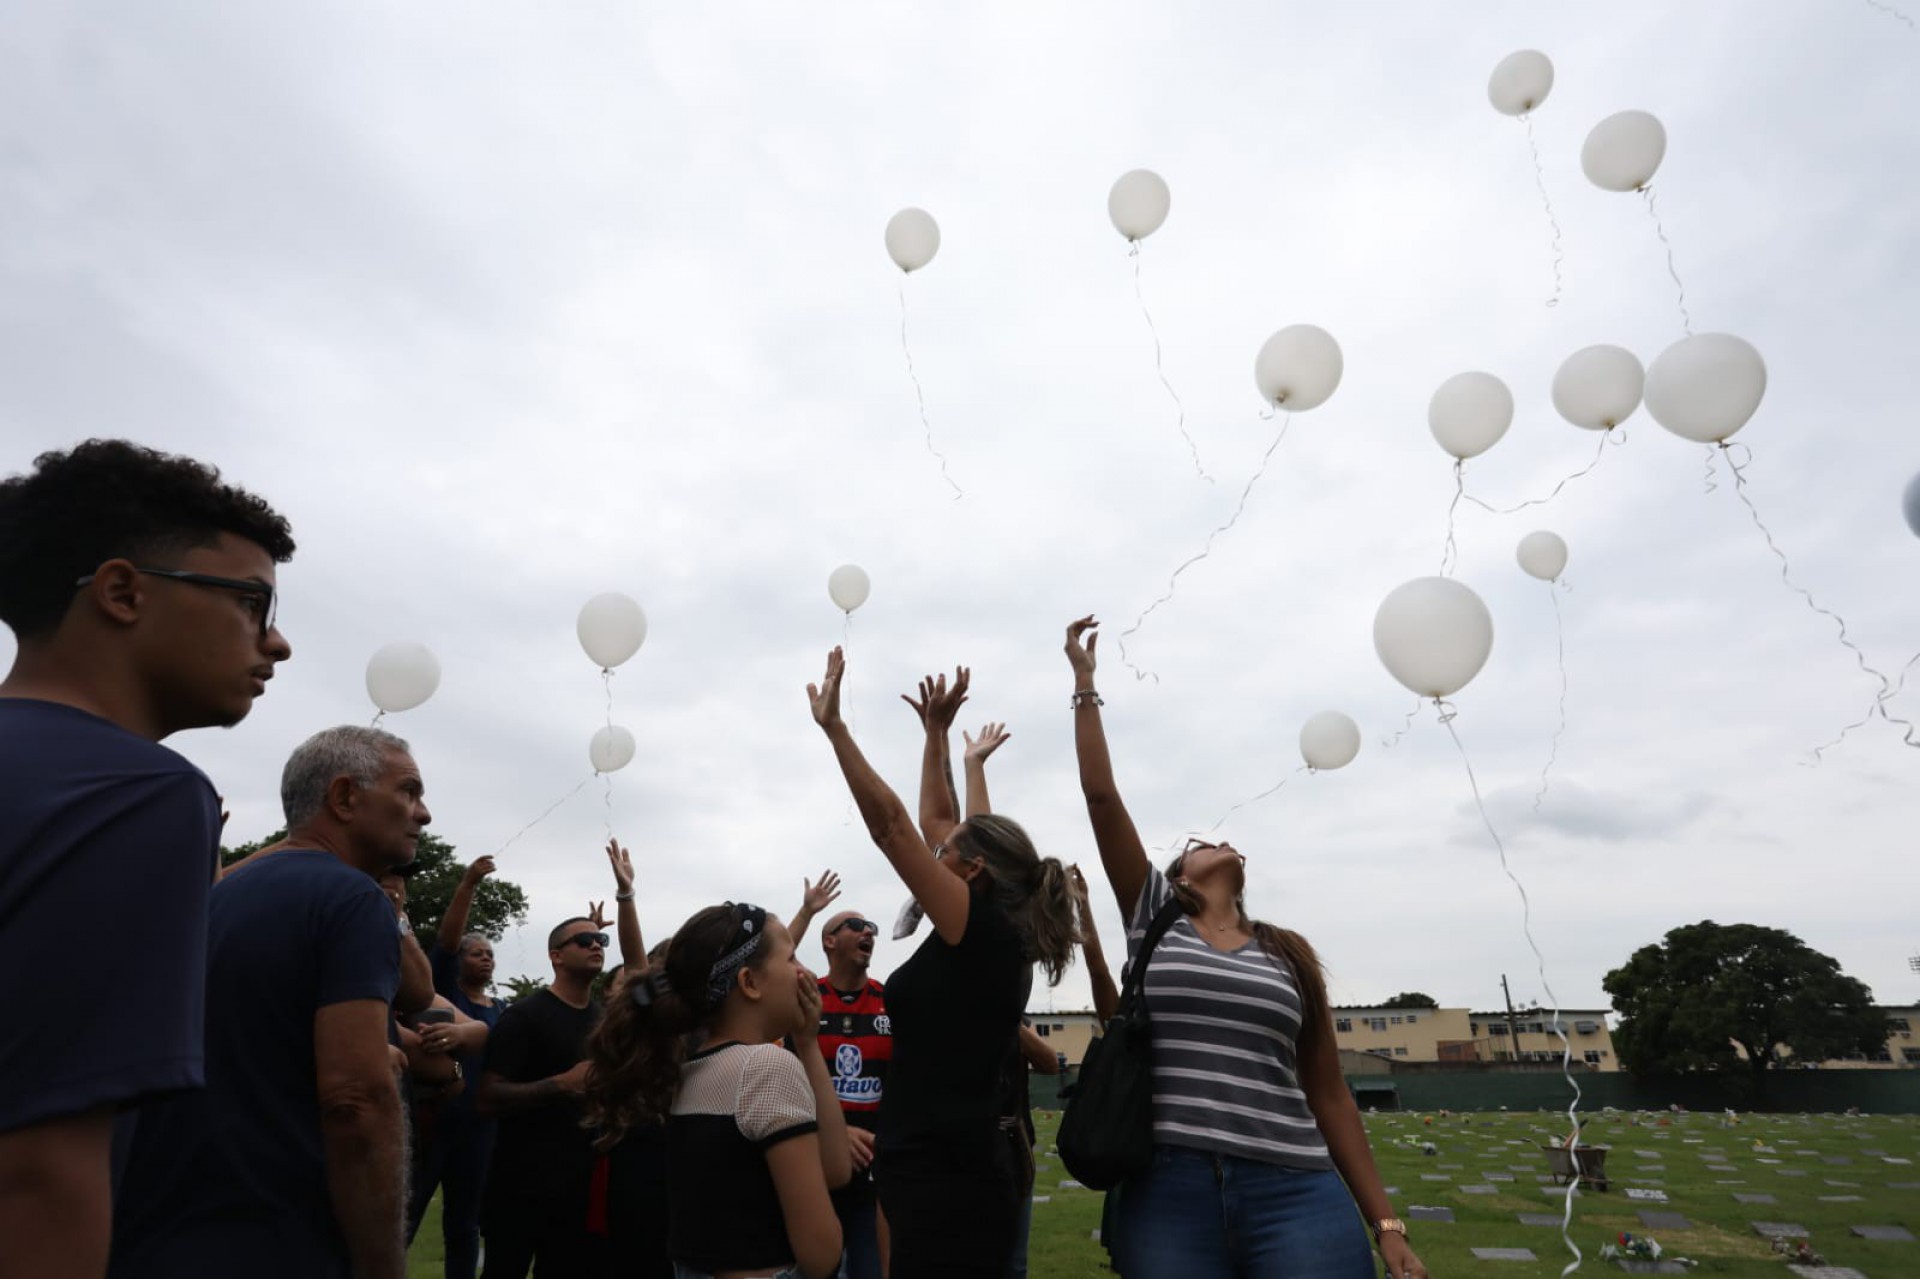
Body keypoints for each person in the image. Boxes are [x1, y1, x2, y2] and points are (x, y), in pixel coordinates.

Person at [0, 439, 294, 1279]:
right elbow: (36, 1171)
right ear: (122, 591)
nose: (276, 646)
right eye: (251, 604)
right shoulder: (136, 793)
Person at [1063, 617, 1428, 1279]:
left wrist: (1387, 1224)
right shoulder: (1155, 917)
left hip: (1297, 1189)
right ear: (1178, 876)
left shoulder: (1288, 953)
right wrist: (1086, 687)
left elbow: (1330, 1092)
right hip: (1169, 1190)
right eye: (1199, 840)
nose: (1215, 838)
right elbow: (1100, 796)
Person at [111, 724, 432, 1279]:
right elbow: (355, 1100)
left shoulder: (219, 897)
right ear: (345, 797)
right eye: (408, 790)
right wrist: (383, 1266)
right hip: (278, 1238)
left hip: (163, 1230)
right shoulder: (352, 899)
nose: (423, 813)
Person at [808, 651, 1080, 1279]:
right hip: (929, 1159)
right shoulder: (985, 924)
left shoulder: (982, 931)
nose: (939, 847)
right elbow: (936, 821)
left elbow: (895, 827)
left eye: (948, 851)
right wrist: (936, 737)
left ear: (973, 870)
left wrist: (836, 729)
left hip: (949, 1173)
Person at [584, 902, 851, 1279]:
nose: (804, 973)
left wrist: (806, 1044)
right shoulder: (764, 1068)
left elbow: (836, 1170)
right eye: (792, 959)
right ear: (750, 982)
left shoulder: (689, 1068)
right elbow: (822, 1255)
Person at [475, 914, 610, 1276]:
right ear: (556, 956)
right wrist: (560, 1084)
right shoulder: (524, 1017)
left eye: (600, 940)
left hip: (578, 1190)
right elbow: (486, 1097)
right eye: (583, 940)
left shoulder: (603, 1022)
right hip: (519, 1186)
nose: (596, 945)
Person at [410, 854, 505, 1279]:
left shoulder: (503, 1011)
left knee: (465, 1225)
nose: (485, 959)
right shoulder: (444, 990)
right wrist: (468, 884)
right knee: (406, 1215)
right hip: (433, 1120)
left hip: (480, 1129)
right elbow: (447, 942)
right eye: (477, 953)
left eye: (490, 954)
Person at [794, 883, 892, 1279]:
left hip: (875, 1168)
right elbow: (786, 1083)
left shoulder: (891, 1001)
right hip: (815, 1165)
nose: (867, 931)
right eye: (855, 925)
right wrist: (834, 1132)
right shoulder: (805, 998)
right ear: (829, 942)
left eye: (870, 926)